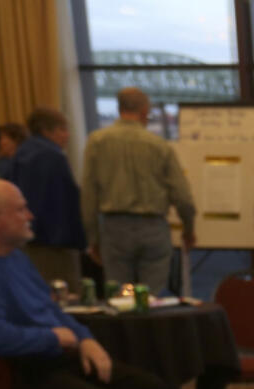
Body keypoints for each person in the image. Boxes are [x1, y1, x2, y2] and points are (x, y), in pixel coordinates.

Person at [0, 180, 243, 389]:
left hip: (64, 357)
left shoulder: (19, 261)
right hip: (30, 375)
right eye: (20, 209)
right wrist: (54, 338)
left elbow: (55, 313)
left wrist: (86, 339)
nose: (30, 215)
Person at [81, 87, 195, 295]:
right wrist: (189, 228)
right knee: (151, 297)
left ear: (119, 108)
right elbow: (182, 195)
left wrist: (93, 238)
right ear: (144, 111)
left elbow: (88, 195)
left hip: (114, 229)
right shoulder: (159, 145)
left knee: (119, 297)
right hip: (153, 228)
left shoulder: (96, 142)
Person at [10, 107, 86, 293]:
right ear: (47, 130)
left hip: (30, 240)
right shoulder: (51, 156)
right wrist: (81, 240)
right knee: (66, 296)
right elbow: (64, 203)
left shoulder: (21, 153)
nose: (67, 136)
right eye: (63, 129)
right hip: (56, 242)